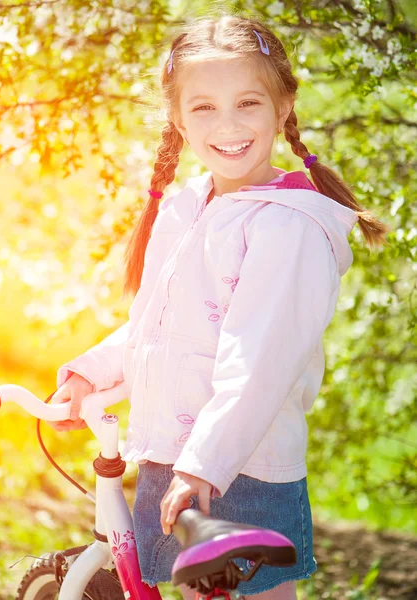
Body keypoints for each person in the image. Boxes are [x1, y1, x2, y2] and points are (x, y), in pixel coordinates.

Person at [47, 13, 390, 600]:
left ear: (283, 109)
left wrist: (203, 465)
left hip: (243, 471)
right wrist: (89, 374)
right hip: (171, 459)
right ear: (177, 119)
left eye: (248, 103)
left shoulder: (289, 227)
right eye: (203, 107)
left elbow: (258, 364)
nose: (227, 125)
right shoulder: (186, 207)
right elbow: (155, 325)